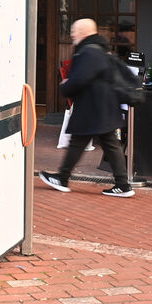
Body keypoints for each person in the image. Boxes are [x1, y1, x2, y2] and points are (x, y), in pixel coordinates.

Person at [39, 18, 134, 197]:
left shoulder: (88, 52)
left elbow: (79, 80)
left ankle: (62, 177)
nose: (72, 34)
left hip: (91, 107)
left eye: (75, 31)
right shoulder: (102, 49)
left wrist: (65, 85)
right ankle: (123, 185)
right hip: (104, 106)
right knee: (110, 145)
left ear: (83, 32)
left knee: (79, 143)